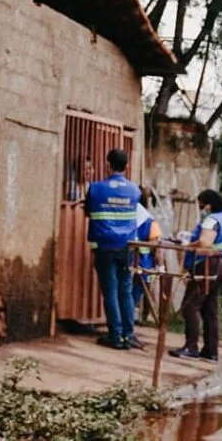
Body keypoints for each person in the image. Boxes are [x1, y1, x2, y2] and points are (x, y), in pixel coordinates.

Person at [84, 149, 142, 350]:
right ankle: (128, 335)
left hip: (105, 247)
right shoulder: (135, 190)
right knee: (125, 290)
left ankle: (115, 336)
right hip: (127, 247)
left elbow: (88, 212)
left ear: (108, 165)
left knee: (110, 291)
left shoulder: (96, 189)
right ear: (127, 167)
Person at [170, 189, 222, 362]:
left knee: (191, 305)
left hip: (206, 265)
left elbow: (205, 242)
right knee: (210, 309)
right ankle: (211, 351)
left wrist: (188, 244)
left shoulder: (211, 219)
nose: (200, 207)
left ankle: (191, 347)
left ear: (209, 204)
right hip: (221, 264)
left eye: (201, 204)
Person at [132, 189, 162, 322]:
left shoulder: (128, 217)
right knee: (139, 290)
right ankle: (139, 316)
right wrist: (160, 264)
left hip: (128, 260)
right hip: (143, 264)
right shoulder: (150, 222)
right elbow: (156, 246)